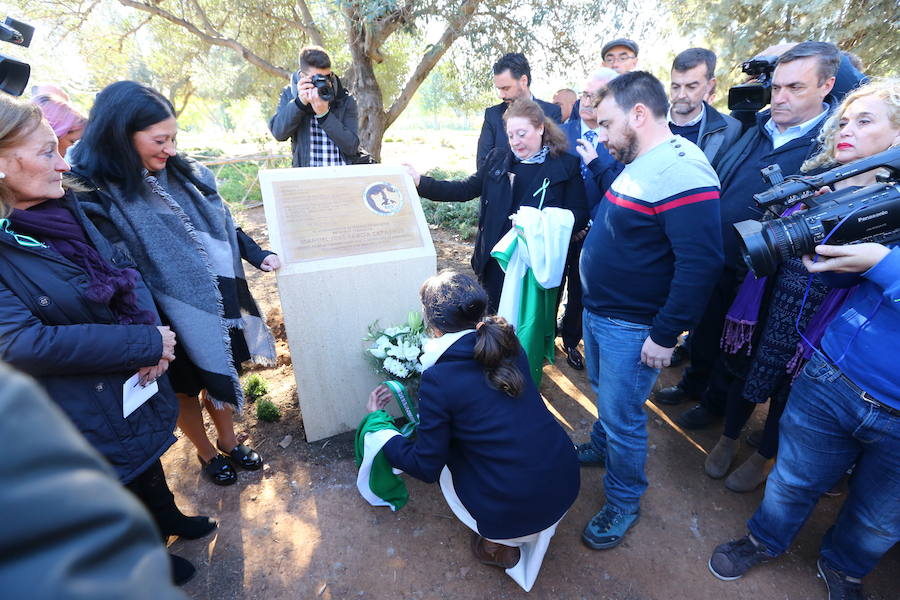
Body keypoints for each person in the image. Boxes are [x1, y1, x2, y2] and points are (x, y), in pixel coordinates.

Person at [0, 94, 212, 585]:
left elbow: (122, 266)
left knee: (144, 456)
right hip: (77, 398)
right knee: (114, 479)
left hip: (127, 371)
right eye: (48, 152)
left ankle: (170, 518)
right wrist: (143, 344)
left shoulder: (67, 204)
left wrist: (149, 333)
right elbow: (22, 344)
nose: (62, 163)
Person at [70, 81, 279, 486]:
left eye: (174, 138)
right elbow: (117, 268)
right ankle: (204, 453)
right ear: (119, 136)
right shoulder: (89, 190)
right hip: (158, 312)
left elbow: (222, 222)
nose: (171, 150)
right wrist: (148, 331)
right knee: (185, 389)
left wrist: (257, 254)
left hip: (216, 301)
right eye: (160, 140)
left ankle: (230, 442)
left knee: (221, 372)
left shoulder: (186, 174)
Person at [704, 79, 900, 493]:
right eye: (844, 121)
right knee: (747, 363)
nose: (847, 130)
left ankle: (763, 456)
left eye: (864, 122)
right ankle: (728, 437)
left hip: (828, 319)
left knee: (789, 388)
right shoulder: (816, 176)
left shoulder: (893, 205)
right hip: (773, 297)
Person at [655, 42, 842, 429]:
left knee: (738, 343)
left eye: (795, 88)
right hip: (718, 253)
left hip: (763, 270)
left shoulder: (831, 148)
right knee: (705, 330)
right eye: (776, 88)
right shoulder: (753, 127)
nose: (781, 98)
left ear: (827, 85)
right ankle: (693, 383)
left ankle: (715, 405)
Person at [574, 71, 723, 550]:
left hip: (632, 326)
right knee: (606, 396)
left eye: (605, 124)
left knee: (623, 416)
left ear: (639, 114)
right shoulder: (644, 157)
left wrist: (664, 335)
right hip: (603, 313)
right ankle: (601, 448)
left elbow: (701, 263)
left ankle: (623, 498)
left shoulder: (682, 169)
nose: (599, 135)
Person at [708, 236, 900, 600]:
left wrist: (886, 264)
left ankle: (844, 567)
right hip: (834, 376)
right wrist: (832, 240)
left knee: (880, 520)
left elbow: (882, 269)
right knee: (792, 481)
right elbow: (843, 281)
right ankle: (763, 539)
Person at [368, 271, 579, 592]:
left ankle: (497, 543)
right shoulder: (507, 340)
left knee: (452, 463)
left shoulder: (439, 379)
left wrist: (382, 432)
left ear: (432, 325)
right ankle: (512, 530)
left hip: (517, 502)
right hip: (564, 478)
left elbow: (427, 466)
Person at [0, 363, 188, 599]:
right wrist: (141, 340)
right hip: (73, 380)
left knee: (137, 439)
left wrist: (149, 340)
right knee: (112, 460)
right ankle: (143, 553)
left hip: (114, 367)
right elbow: (29, 341)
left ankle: (168, 517)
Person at [406, 98, 587, 314]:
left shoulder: (566, 165)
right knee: (495, 328)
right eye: (511, 135)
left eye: (522, 133)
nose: (516, 141)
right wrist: (421, 182)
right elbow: (465, 188)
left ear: (540, 128)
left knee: (529, 331)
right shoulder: (497, 159)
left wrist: (542, 223)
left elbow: (579, 214)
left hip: (536, 267)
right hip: (496, 262)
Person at [557, 67, 619, 370]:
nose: (587, 101)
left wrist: (588, 225)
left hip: (593, 233)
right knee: (550, 287)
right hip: (557, 230)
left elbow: (617, 187)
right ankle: (543, 337)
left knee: (579, 292)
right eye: (584, 94)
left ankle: (571, 341)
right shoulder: (558, 133)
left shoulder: (619, 139)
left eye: (595, 96)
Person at [268, 45, 360, 167]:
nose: (325, 82)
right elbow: (278, 133)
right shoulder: (290, 95)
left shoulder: (344, 99)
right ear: (302, 76)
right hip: (307, 178)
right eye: (317, 78)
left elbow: (352, 147)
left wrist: (324, 115)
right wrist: (299, 103)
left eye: (327, 77)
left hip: (340, 177)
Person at [476, 53, 563, 167]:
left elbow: (555, 159)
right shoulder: (492, 115)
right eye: (499, 89)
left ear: (523, 81)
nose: (501, 95)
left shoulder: (552, 112)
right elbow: (483, 163)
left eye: (506, 88)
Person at [668, 48, 741, 169]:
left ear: (709, 85)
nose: (681, 95)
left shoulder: (730, 130)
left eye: (691, 87)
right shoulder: (648, 121)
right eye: (675, 86)